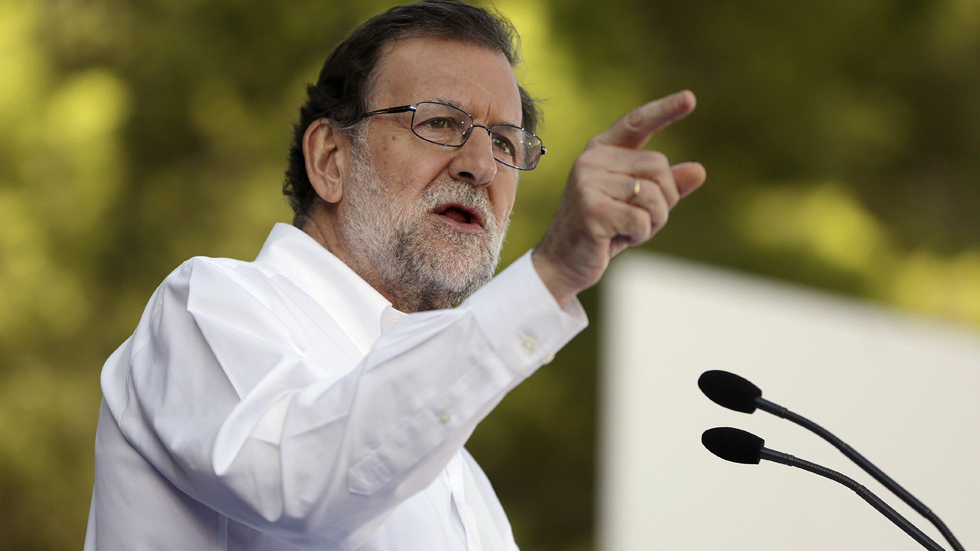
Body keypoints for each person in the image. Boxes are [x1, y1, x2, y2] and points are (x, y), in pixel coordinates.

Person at [83, 1, 706, 550]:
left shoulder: (464, 484)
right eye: (439, 123)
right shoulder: (206, 306)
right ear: (331, 158)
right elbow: (300, 482)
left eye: (506, 144)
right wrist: (549, 275)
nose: (482, 166)